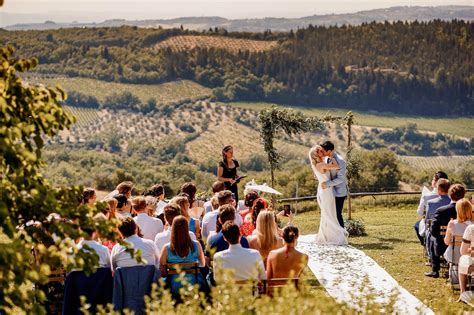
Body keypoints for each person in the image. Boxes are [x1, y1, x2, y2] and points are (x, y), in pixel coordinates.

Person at [309, 145, 348, 245]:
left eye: (322, 150)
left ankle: (330, 235)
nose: (322, 151)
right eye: (319, 151)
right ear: (316, 154)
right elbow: (336, 166)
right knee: (329, 213)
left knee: (330, 213)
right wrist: (331, 156)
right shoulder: (321, 165)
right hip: (326, 190)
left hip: (327, 189)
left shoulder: (321, 163)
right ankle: (331, 235)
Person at [159, 216, 206, 295]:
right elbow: (203, 264)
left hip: (174, 285)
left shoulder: (166, 248)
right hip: (194, 283)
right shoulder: (196, 244)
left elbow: (162, 270)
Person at [428, 184, 466, 277]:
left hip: (443, 246)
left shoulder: (441, 211)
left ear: (450, 195)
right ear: (463, 195)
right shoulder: (468, 210)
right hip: (465, 246)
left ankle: (435, 269)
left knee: (432, 238)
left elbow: (434, 231)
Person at [424, 178, 451, 277]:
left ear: (438, 189)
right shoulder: (454, 203)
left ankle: (435, 269)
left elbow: (427, 219)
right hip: (452, 235)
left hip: (438, 236)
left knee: (431, 236)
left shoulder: (431, 203)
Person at [414, 171, 448, 245]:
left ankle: (425, 244)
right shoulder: (451, 196)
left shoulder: (427, 197)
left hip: (432, 226)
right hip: (448, 225)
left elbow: (420, 212)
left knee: (417, 225)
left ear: (436, 182)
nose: (432, 181)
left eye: (433, 179)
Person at [319, 141, 347, 228]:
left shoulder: (341, 161)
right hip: (329, 191)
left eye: (323, 151)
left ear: (330, 151)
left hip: (339, 192)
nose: (322, 153)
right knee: (330, 213)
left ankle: (342, 235)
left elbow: (340, 179)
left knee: (337, 214)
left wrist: (327, 184)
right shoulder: (327, 158)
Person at [444, 199, 473, 265]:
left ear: (457, 211)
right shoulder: (472, 226)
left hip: (453, 256)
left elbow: (447, 242)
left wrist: (449, 229)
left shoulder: (452, 224)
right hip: (468, 257)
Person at [457, 222, 474, 301]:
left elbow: (463, 251)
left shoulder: (471, 229)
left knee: (463, 258)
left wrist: (471, 250)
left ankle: (463, 293)